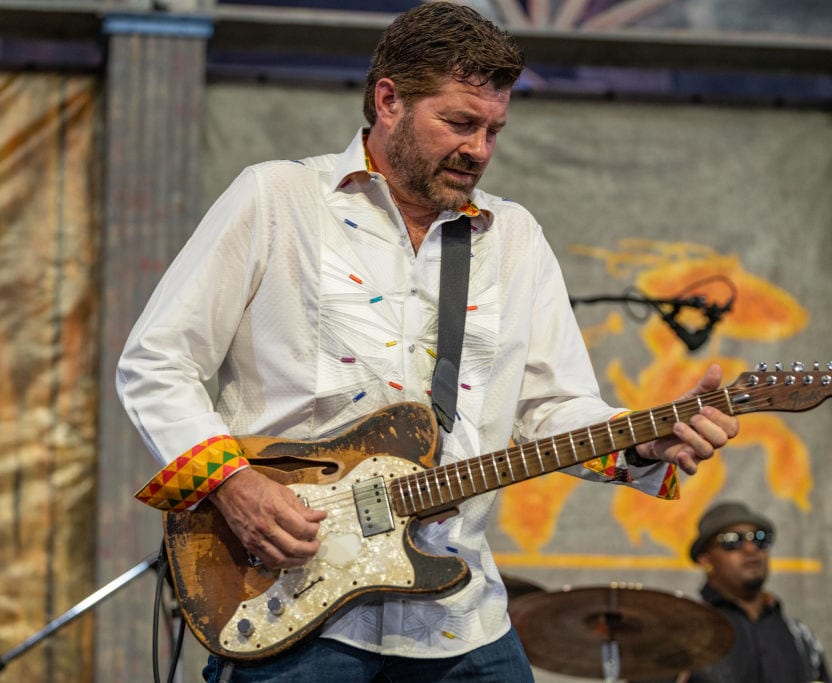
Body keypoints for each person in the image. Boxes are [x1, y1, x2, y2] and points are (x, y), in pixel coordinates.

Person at [116, 3, 740, 681]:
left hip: (461, 617)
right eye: (460, 122)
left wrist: (645, 439)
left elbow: (552, 408)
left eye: (495, 129)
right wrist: (235, 486)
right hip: (289, 608)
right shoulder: (278, 198)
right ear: (389, 100)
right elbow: (156, 361)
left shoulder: (515, 236)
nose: (480, 149)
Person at [684, 501, 830, 683]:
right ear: (705, 559)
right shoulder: (687, 631)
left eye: (759, 539)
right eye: (732, 541)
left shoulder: (799, 635)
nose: (751, 548)